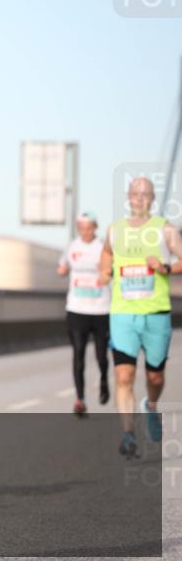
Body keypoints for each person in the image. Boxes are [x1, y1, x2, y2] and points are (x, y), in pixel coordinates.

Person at [99, 176, 180, 458]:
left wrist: (165, 267)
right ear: (129, 197)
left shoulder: (165, 230)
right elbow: (107, 254)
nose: (140, 198)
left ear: (153, 198)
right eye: (136, 193)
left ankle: (152, 405)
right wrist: (104, 272)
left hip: (156, 313)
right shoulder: (114, 230)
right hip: (122, 313)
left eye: (146, 193)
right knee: (124, 375)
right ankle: (128, 434)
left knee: (155, 376)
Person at [57, 211, 111, 416]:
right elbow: (61, 267)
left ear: (95, 227)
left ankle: (104, 380)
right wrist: (62, 271)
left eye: (89, 228)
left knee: (101, 356)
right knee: (78, 352)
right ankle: (80, 399)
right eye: (81, 228)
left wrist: (106, 269)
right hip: (77, 309)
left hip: (101, 309)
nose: (85, 232)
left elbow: (113, 271)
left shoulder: (103, 247)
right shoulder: (72, 247)